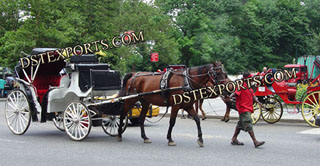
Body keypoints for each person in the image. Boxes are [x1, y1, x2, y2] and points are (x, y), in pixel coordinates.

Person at [230, 71, 265, 148]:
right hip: (243, 108)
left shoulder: (249, 86)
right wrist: (230, 96)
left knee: (240, 125)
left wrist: (259, 102)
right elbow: (236, 93)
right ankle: (255, 142)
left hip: (248, 107)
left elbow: (253, 96)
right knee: (248, 123)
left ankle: (234, 139)